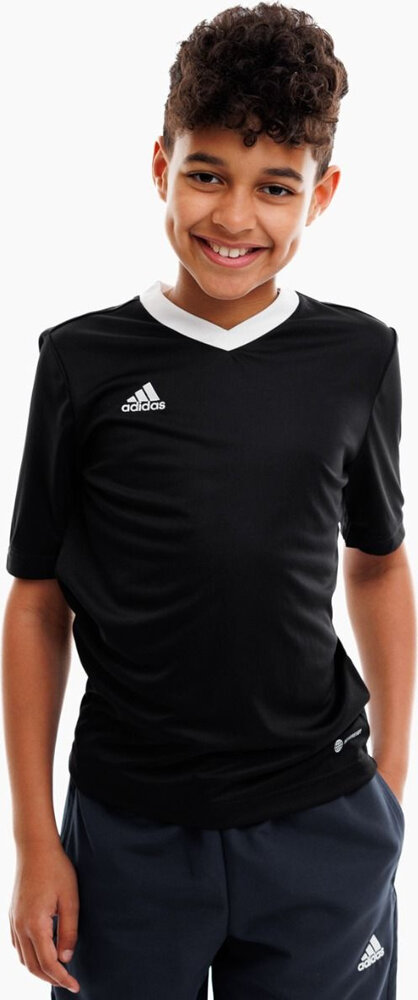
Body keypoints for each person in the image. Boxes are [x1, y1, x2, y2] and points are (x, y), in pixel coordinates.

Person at [3, 3, 415, 998]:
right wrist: (37, 841)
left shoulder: (357, 355)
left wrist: (389, 789)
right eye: (206, 174)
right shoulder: (81, 361)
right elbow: (37, 601)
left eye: (274, 186)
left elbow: (377, 563)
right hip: (128, 835)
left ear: (322, 193)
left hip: (322, 820)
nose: (234, 218)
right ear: (161, 166)